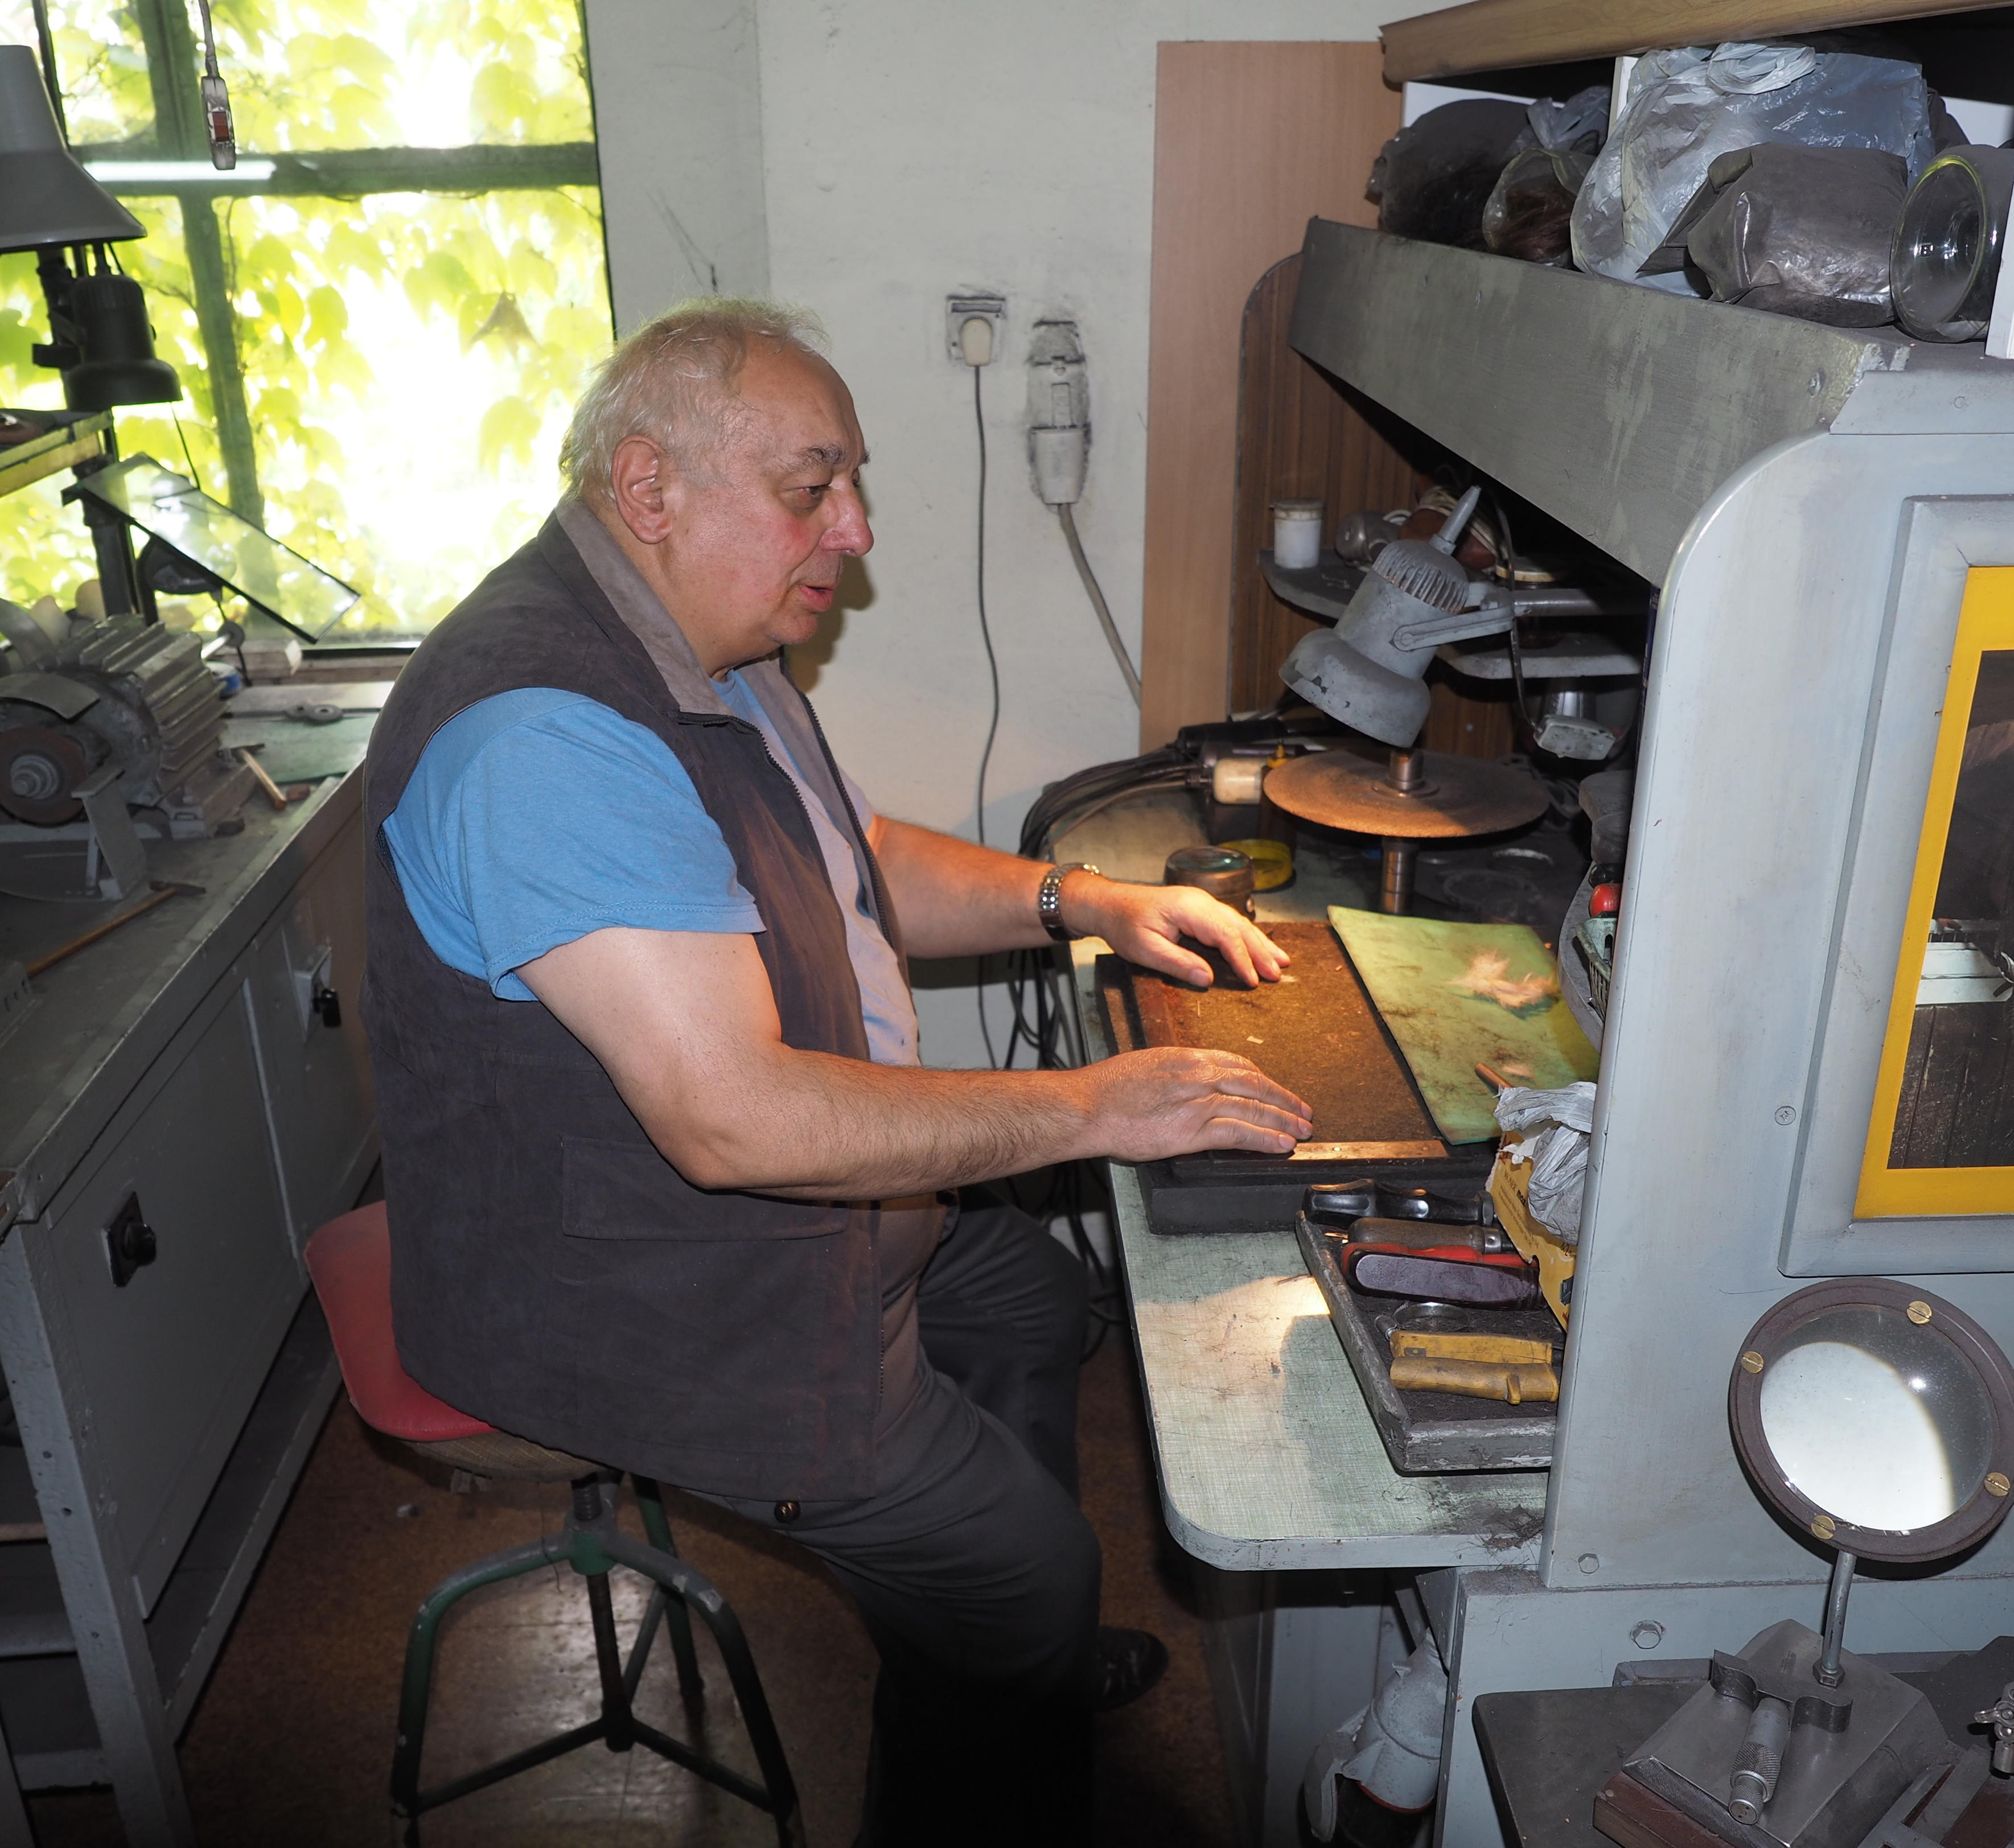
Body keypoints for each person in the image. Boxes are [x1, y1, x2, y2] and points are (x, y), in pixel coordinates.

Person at [361, 298, 1311, 1845]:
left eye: (850, 484)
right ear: (652, 487)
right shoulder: (547, 734)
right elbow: (736, 1120)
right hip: (634, 1284)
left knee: (1031, 1297)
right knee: (1034, 1570)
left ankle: (977, 1649)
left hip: (747, 1210)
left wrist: (1085, 898)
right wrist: (1096, 1103)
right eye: (813, 488)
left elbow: (850, 848)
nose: (855, 530)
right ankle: (997, 1628)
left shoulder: (711, 652)